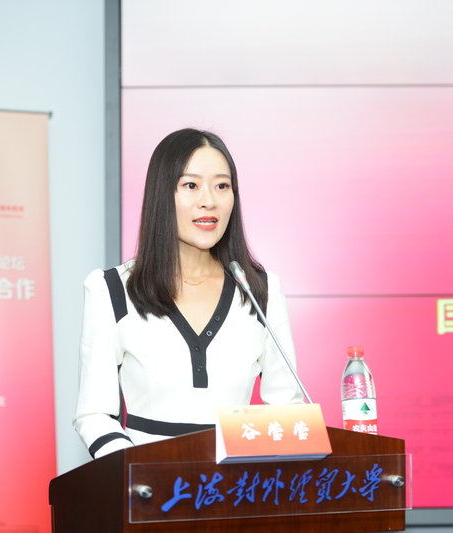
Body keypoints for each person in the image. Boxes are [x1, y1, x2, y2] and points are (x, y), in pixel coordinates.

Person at [73, 128, 304, 459]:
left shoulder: (260, 290)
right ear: (162, 194)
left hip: (237, 485)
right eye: (191, 185)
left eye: (221, 186)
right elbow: (94, 414)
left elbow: (287, 409)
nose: (208, 200)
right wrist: (134, 473)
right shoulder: (112, 289)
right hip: (146, 483)